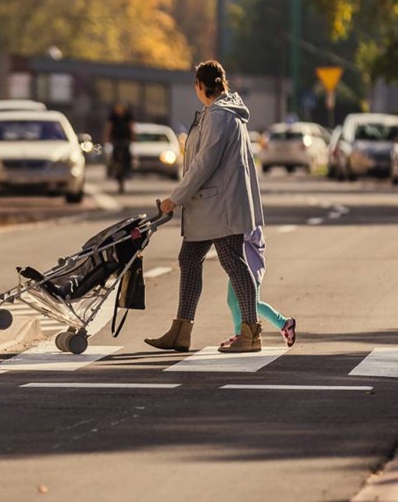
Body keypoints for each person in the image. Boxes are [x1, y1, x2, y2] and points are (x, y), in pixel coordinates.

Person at [146, 60, 265, 354]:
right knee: (189, 259)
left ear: (200, 86)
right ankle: (181, 330)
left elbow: (203, 164)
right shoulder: (221, 113)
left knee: (233, 263)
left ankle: (250, 333)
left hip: (219, 206)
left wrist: (176, 197)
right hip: (211, 205)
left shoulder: (220, 116)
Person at [220, 227, 297, 348]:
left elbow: (245, 234)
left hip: (251, 268)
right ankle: (240, 334)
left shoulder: (251, 220)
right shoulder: (239, 218)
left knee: (252, 304)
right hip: (236, 267)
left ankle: (283, 323)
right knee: (232, 301)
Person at [105, 102, 134, 193]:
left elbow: (131, 126)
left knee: (127, 157)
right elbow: (109, 126)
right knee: (114, 157)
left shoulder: (128, 115)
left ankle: (128, 170)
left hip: (125, 139)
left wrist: (133, 137)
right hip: (116, 140)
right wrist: (107, 137)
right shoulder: (113, 116)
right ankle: (114, 170)